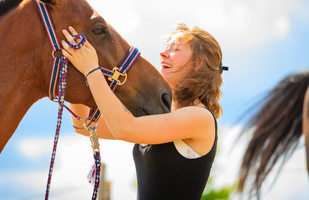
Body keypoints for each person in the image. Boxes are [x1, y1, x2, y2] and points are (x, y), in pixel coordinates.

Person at [61, 23, 225, 200]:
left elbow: (124, 128)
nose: (163, 53)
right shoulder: (160, 114)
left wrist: (91, 70)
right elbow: (84, 125)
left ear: (198, 63)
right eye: (167, 46)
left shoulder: (200, 117)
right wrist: (75, 72)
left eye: (176, 48)